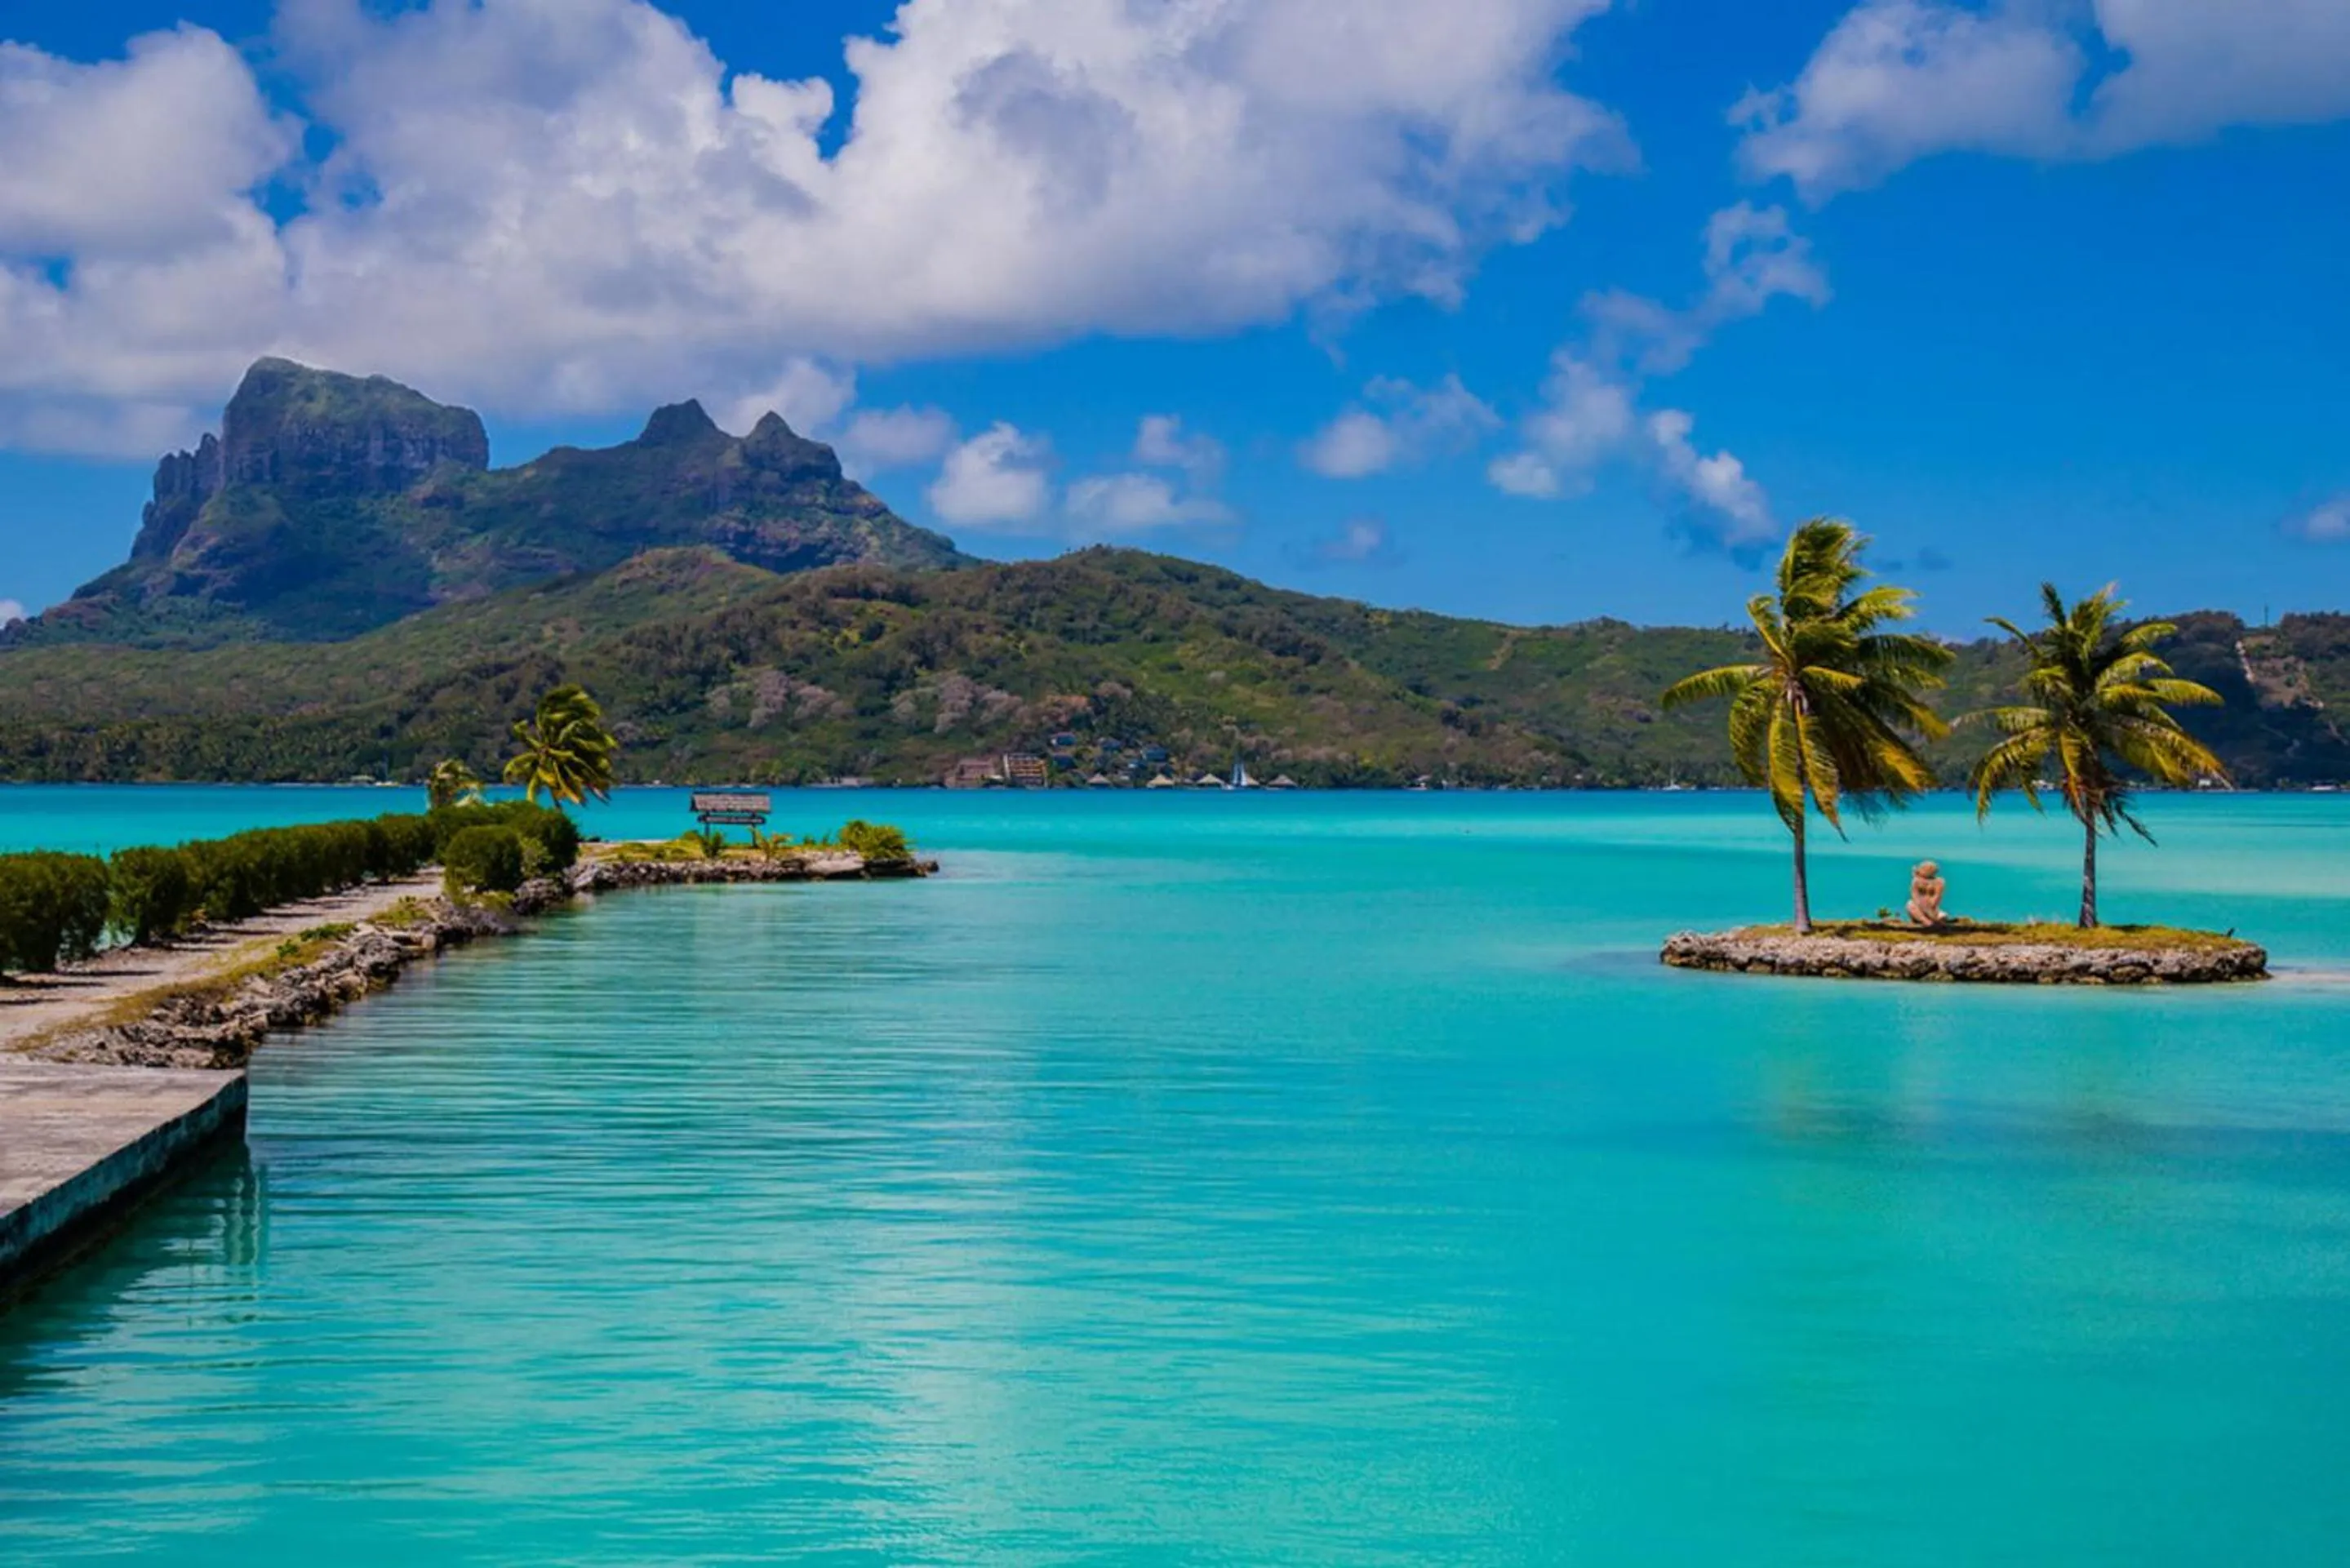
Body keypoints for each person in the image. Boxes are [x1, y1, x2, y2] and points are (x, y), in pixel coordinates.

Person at [1906, 860, 1948, 927]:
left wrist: (1931, 904)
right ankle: (1926, 922)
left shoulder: (1939, 882)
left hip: (1932, 907)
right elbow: (1914, 894)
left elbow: (1938, 895)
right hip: (1918, 905)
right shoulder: (1916, 881)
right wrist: (1921, 904)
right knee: (1910, 905)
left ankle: (1934, 919)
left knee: (1942, 915)